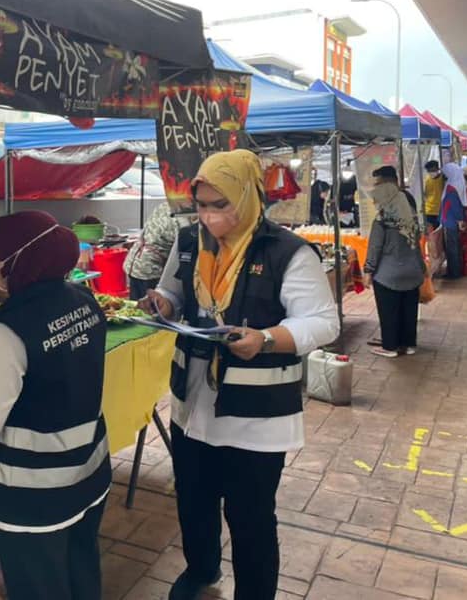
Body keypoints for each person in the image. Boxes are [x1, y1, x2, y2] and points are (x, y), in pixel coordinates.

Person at [140, 150, 339, 600]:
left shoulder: (287, 252)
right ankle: (201, 570)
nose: (209, 216)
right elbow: (174, 291)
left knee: (250, 517)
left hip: (255, 417)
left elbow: (324, 322)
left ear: (248, 197)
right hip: (193, 406)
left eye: (220, 204)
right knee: (193, 500)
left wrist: (267, 339)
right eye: (201, 205)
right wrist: (162, 303)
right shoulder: (189, 241)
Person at [0, 211, 111, 600]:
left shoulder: (8, 329)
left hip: (32, 493)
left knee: (39, 587)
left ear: (19, 261)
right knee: (81, 569)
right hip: (88, 472)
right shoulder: (84, 299)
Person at [364, 168, 425, 358]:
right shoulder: (410, 209)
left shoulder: (382, 218)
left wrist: (368, 270)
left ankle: (390, 347)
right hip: (413, 269)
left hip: (388, 273)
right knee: (409, 310)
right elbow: (417, 239)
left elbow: (375, 247)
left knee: (389, 311)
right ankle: (409, 344)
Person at [124, 202, 180, 300]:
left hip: (135, 262)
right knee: (150, 305)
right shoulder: (182, 216)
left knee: (136, 304)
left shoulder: (164, 205)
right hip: (150, 268)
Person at [440, 163, 467, 279]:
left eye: (445, 173)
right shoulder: (457, 183)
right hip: (451, 220)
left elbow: (454, 206)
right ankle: (455, 270)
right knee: (454, 246)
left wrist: (459, 219)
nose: (443, 176)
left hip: (450, 221)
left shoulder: (451, 187)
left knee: (452, 247)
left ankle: (454, 273)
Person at [423, 160, 444, 229]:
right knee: (431, 231)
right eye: (429, 171)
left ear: (438, 169)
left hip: (440, 210)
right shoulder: (427, 179)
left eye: (433, 170)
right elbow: (425, 194)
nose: (431, 173)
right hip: (429, 210)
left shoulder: (443, 179)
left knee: (440, 231)